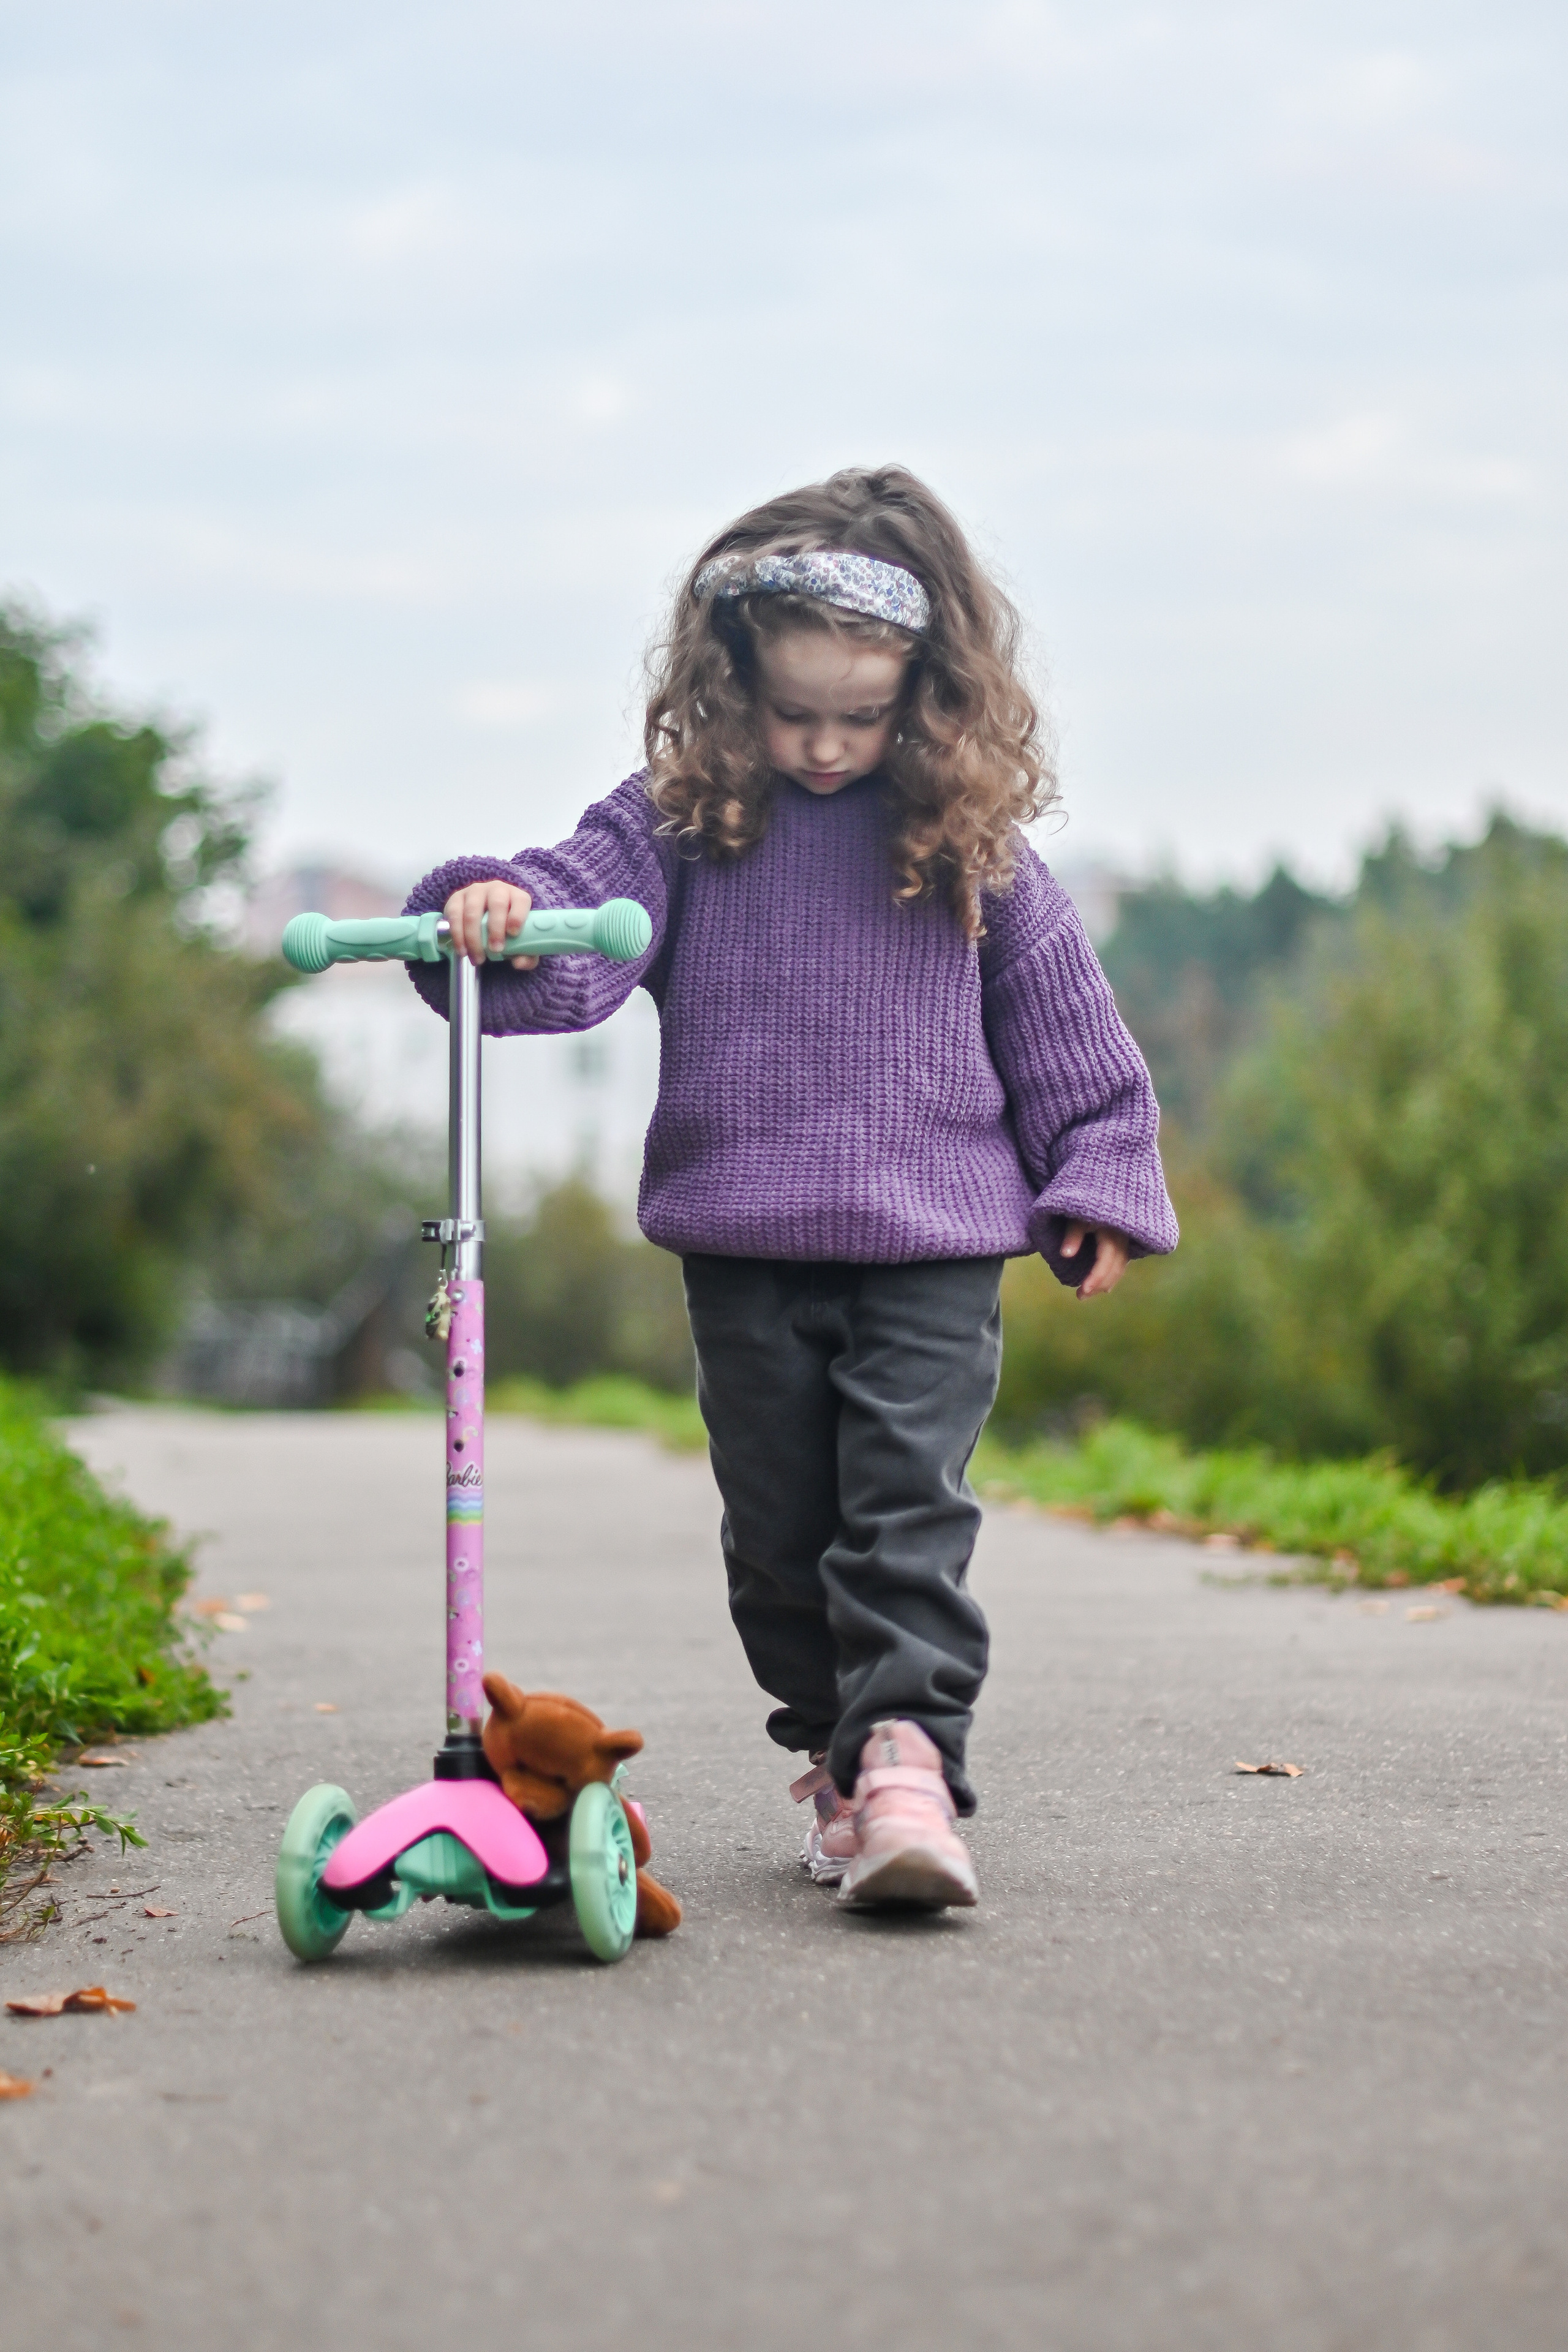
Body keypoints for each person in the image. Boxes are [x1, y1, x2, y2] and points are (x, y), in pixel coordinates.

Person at [404, 465, 1177, 1913]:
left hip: (932, 1242)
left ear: (928, 695)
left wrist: (1097, 1172)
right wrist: (493, 909)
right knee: (776, 1546)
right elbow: (579, 926)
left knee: (900, 1512)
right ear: (729, 685)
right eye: (792, 712)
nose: (824, 747)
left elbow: (1066, 1024)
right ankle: (837, 1751)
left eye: (861, 716)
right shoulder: (690, 817)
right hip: (745, 1244)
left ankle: (906, 1763)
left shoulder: (967, 844)